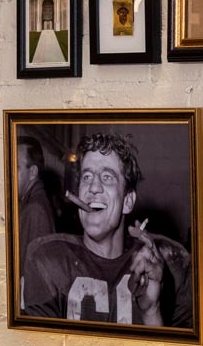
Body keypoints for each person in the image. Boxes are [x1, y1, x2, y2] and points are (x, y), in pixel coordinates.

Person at [22, 130, 189, 327]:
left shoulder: (166, 263)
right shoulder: (47, 259)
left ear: (127, 201)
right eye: (87, 177)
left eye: (107, 177)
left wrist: (151, 310)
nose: (93, 187)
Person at [16, 135, 57, 296]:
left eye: (15, 167)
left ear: (32, 172)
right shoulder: (32, 202)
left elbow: (31, 275)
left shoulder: (35, 209)